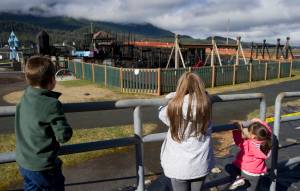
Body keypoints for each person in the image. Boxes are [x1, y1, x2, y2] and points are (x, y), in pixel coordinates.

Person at [15, 56, 73, 191]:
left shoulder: (25, 96)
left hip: (24, 162)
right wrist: (68, 130)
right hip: (43, 166)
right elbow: (63, 136)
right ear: (52, 80)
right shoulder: (52, 104)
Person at [158, 72, 214, 191]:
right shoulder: (206, 106)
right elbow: (205, 96)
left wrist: (172, 97)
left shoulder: (173, 107)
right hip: (201, 163)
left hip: (178, 165)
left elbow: (161, 113)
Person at [225, 118, 272, 191]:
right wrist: (258, 122)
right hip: (257, 173)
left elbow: (238, 141)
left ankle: (238, 178)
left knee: (228, 167)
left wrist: (236, 129)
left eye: (249, 132)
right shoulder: (267, 141)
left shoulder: (249, 144)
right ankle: (240, 180)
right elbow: (268, 130)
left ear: (253, 136)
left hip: (246, 171)